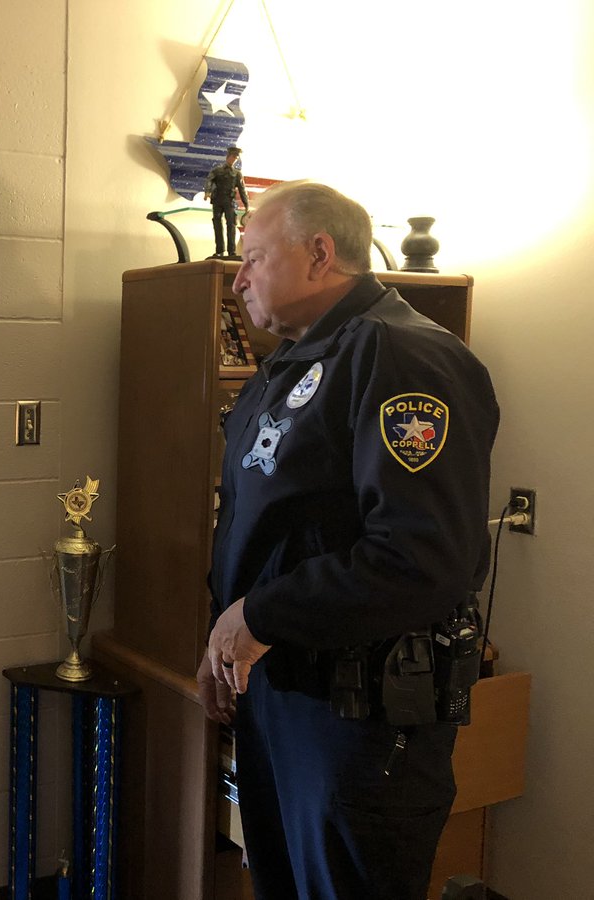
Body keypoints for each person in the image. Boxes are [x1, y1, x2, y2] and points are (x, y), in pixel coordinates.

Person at [197, 181, 499, 900]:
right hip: (282, 692)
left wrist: (259, 617)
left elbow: (421, 556)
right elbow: (270, 526)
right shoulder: (294, 363)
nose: (238, 278)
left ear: (319, 254)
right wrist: (225, 633)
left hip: (360, 718)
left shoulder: (402, 358)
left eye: (254, 258)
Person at [204, 145, 249, 259]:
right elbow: (209, 180)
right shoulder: (217, 171)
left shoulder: (237, 173)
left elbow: (242, 189)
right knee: (217, 225)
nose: (234, 159)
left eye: (236, 158)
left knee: (231, 225)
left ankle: (231, 251)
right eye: (233, 157)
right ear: (228, 157)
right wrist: (207, 192)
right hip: (217, 200)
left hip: (229, 201)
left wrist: (246, 203)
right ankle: (219, 250)